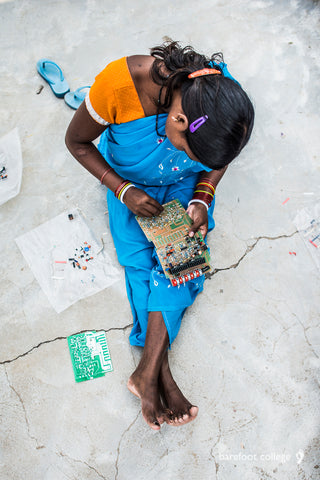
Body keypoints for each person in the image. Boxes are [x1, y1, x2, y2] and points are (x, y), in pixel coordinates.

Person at [65, 41, 254, 430]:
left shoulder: (219, 90)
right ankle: (158, 375)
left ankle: (146, 372)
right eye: (190, 150)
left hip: (185, 190)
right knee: (138, 261)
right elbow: (76, 142)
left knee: (183, 263)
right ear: (180, 120)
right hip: (131, 185)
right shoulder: (118, 85)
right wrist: (122, 190)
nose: (193, 157)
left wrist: (203, 195)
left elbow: (218, 161)